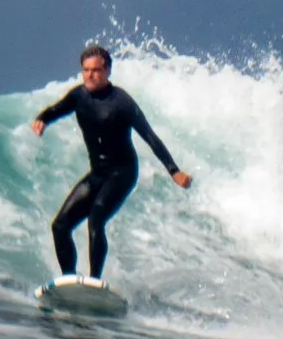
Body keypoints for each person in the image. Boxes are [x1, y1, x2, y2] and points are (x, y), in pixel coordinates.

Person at [30, 43, 192, 279]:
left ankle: (94, 280)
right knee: (60, 226)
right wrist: (42, 119)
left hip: (123, 172)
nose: (89, 75)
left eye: (95, 70)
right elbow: (56, 109)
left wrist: (174, 170)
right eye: (85, 70)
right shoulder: (79, 96)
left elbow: (149, 136)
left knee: (96, 219)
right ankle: (69, 279)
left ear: (107, 71)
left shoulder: (122, 102)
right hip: (98, 172)